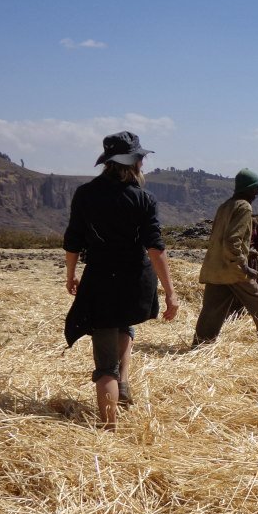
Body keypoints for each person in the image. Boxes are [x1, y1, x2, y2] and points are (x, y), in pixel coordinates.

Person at [64, 131, 179, 427]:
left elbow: (73, 240)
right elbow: (155, 248)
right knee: (124, 324)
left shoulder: (86, 194)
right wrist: (169, 292)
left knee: (104, 365)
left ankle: (108, 426)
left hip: (100, 279)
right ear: (135, 161)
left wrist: (71, 274)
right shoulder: (144, 198)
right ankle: (122, 389)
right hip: (135, 281)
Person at [193, 168, 258, 346]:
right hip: (233, 270)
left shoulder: (225, 206)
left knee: (211, 310)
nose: (257, 192)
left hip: (215, 268)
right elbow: (232, 241)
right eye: (256, 188)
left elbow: (221, 238)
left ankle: (200, 346)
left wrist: (248, 251)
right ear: (249, 189)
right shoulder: (244, 207)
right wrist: (245, 267)